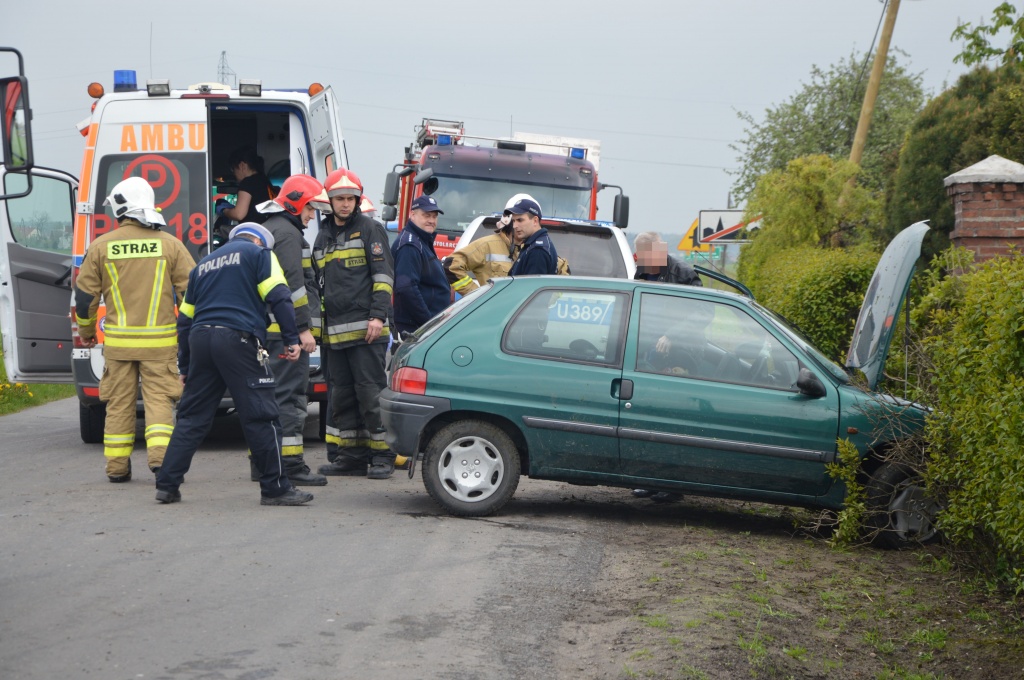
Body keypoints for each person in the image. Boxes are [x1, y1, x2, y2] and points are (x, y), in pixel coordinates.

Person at [154, 223, 314, 506]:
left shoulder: (203, 266)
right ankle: (275, 489)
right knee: (262, 415)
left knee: (191, 417)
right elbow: (279, 296)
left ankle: (167, 485)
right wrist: (291, 339)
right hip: (238, 339)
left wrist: (186, 367)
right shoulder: (260, 254)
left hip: (201, 339)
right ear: (260, 241)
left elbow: (185, 321)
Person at [74, 176, 196, 482]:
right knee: (159, 403)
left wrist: (87, 333)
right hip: (160, 346)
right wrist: (192, 332)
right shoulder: (170, 245)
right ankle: (162, 464)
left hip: (118, 346)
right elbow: (192, 294)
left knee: (118, 404)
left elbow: (85, 299)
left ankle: (117, 468)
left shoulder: (100, 247)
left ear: (120, 209)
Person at [313, 169, 400, 480]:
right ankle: (350, 457)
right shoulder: (323, 236)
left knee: (371, 394)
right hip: (334, 336)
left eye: (350, 198)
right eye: (339, 199)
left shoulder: (370, 229)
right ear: (330, 201)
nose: (345, 204)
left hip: (367, 331)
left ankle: (383, 456)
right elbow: (318, 285)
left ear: (357, 200)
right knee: (342, 397)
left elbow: (383, 277)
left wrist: (377, 316)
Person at [253, 174, 326, 486]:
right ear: (296, 204)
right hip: (285, 335)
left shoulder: (272, 229)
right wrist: (302, 329)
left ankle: (264, 464)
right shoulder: (288, 234)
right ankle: (290, 465)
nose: (311, 215)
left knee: (268, 398)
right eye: (309, 208)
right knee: (290, 398)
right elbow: (293, 287)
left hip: (270, 333)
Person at [631, 231, 703, 504]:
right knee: (647, 418)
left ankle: (672, 484)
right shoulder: (642, 272)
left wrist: (672, 335)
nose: (641, 261)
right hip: (650, 359)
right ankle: (648, 479)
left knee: (672, 423)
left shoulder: (683, 274)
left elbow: (703, 312)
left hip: (682, 358)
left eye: (644, 255)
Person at [443, 193, 528, 294]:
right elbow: (451, 265)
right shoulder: (487, 245)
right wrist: (477, 295)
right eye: (519, 220)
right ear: (509, 221)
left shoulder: (530, 249)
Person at [391, 195, 451, 333]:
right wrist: (428, 322)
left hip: (425, 325)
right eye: (426, 215)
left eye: (434, 216)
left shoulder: (421, 241)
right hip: (416, 328)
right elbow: (406, 289)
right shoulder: (410, 245)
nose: (431, 220)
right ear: (412, 215)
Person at [213, 146, 274, 240]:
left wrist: (224, 210)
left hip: (252, 233)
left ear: (242, 165)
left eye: (233, 169)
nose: (234, 174)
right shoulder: (264, 180)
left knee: (221, 230)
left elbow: (239, 214)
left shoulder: (247, 183)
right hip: (266, 231)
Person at [507, 197, 558, 276]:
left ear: (535, 221)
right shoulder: (532, 245)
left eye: (520, 220)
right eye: (513, 221)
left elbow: (532, 283)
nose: (514, 226)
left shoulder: (537, 251)